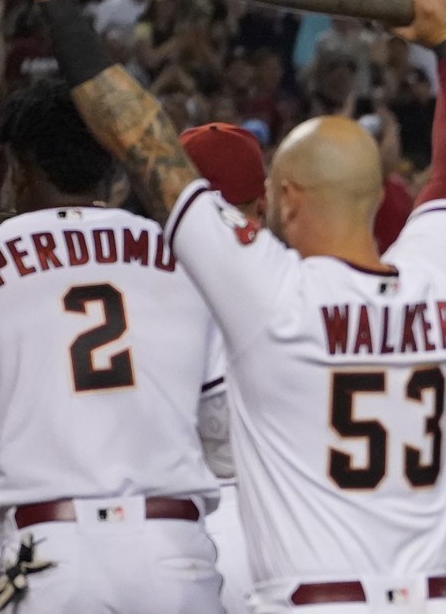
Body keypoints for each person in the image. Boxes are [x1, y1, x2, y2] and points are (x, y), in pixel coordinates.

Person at [30, 0, 446, 612]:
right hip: (432, 598)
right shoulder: (437, 282)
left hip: (315, 600)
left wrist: (60, 6)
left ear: (287, 198)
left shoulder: (270, 294)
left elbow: (142, 141)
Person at [0, 76, 225, 613]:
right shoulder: (185, 252)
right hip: (173, 549)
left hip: (50, 553)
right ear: (112, 170)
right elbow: (222, 430)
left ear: (18, 171)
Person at [179, 121, 267, 614]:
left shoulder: (139, 283)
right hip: (307, 528)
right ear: (264, 205)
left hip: (173, 530)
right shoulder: (304, 282)